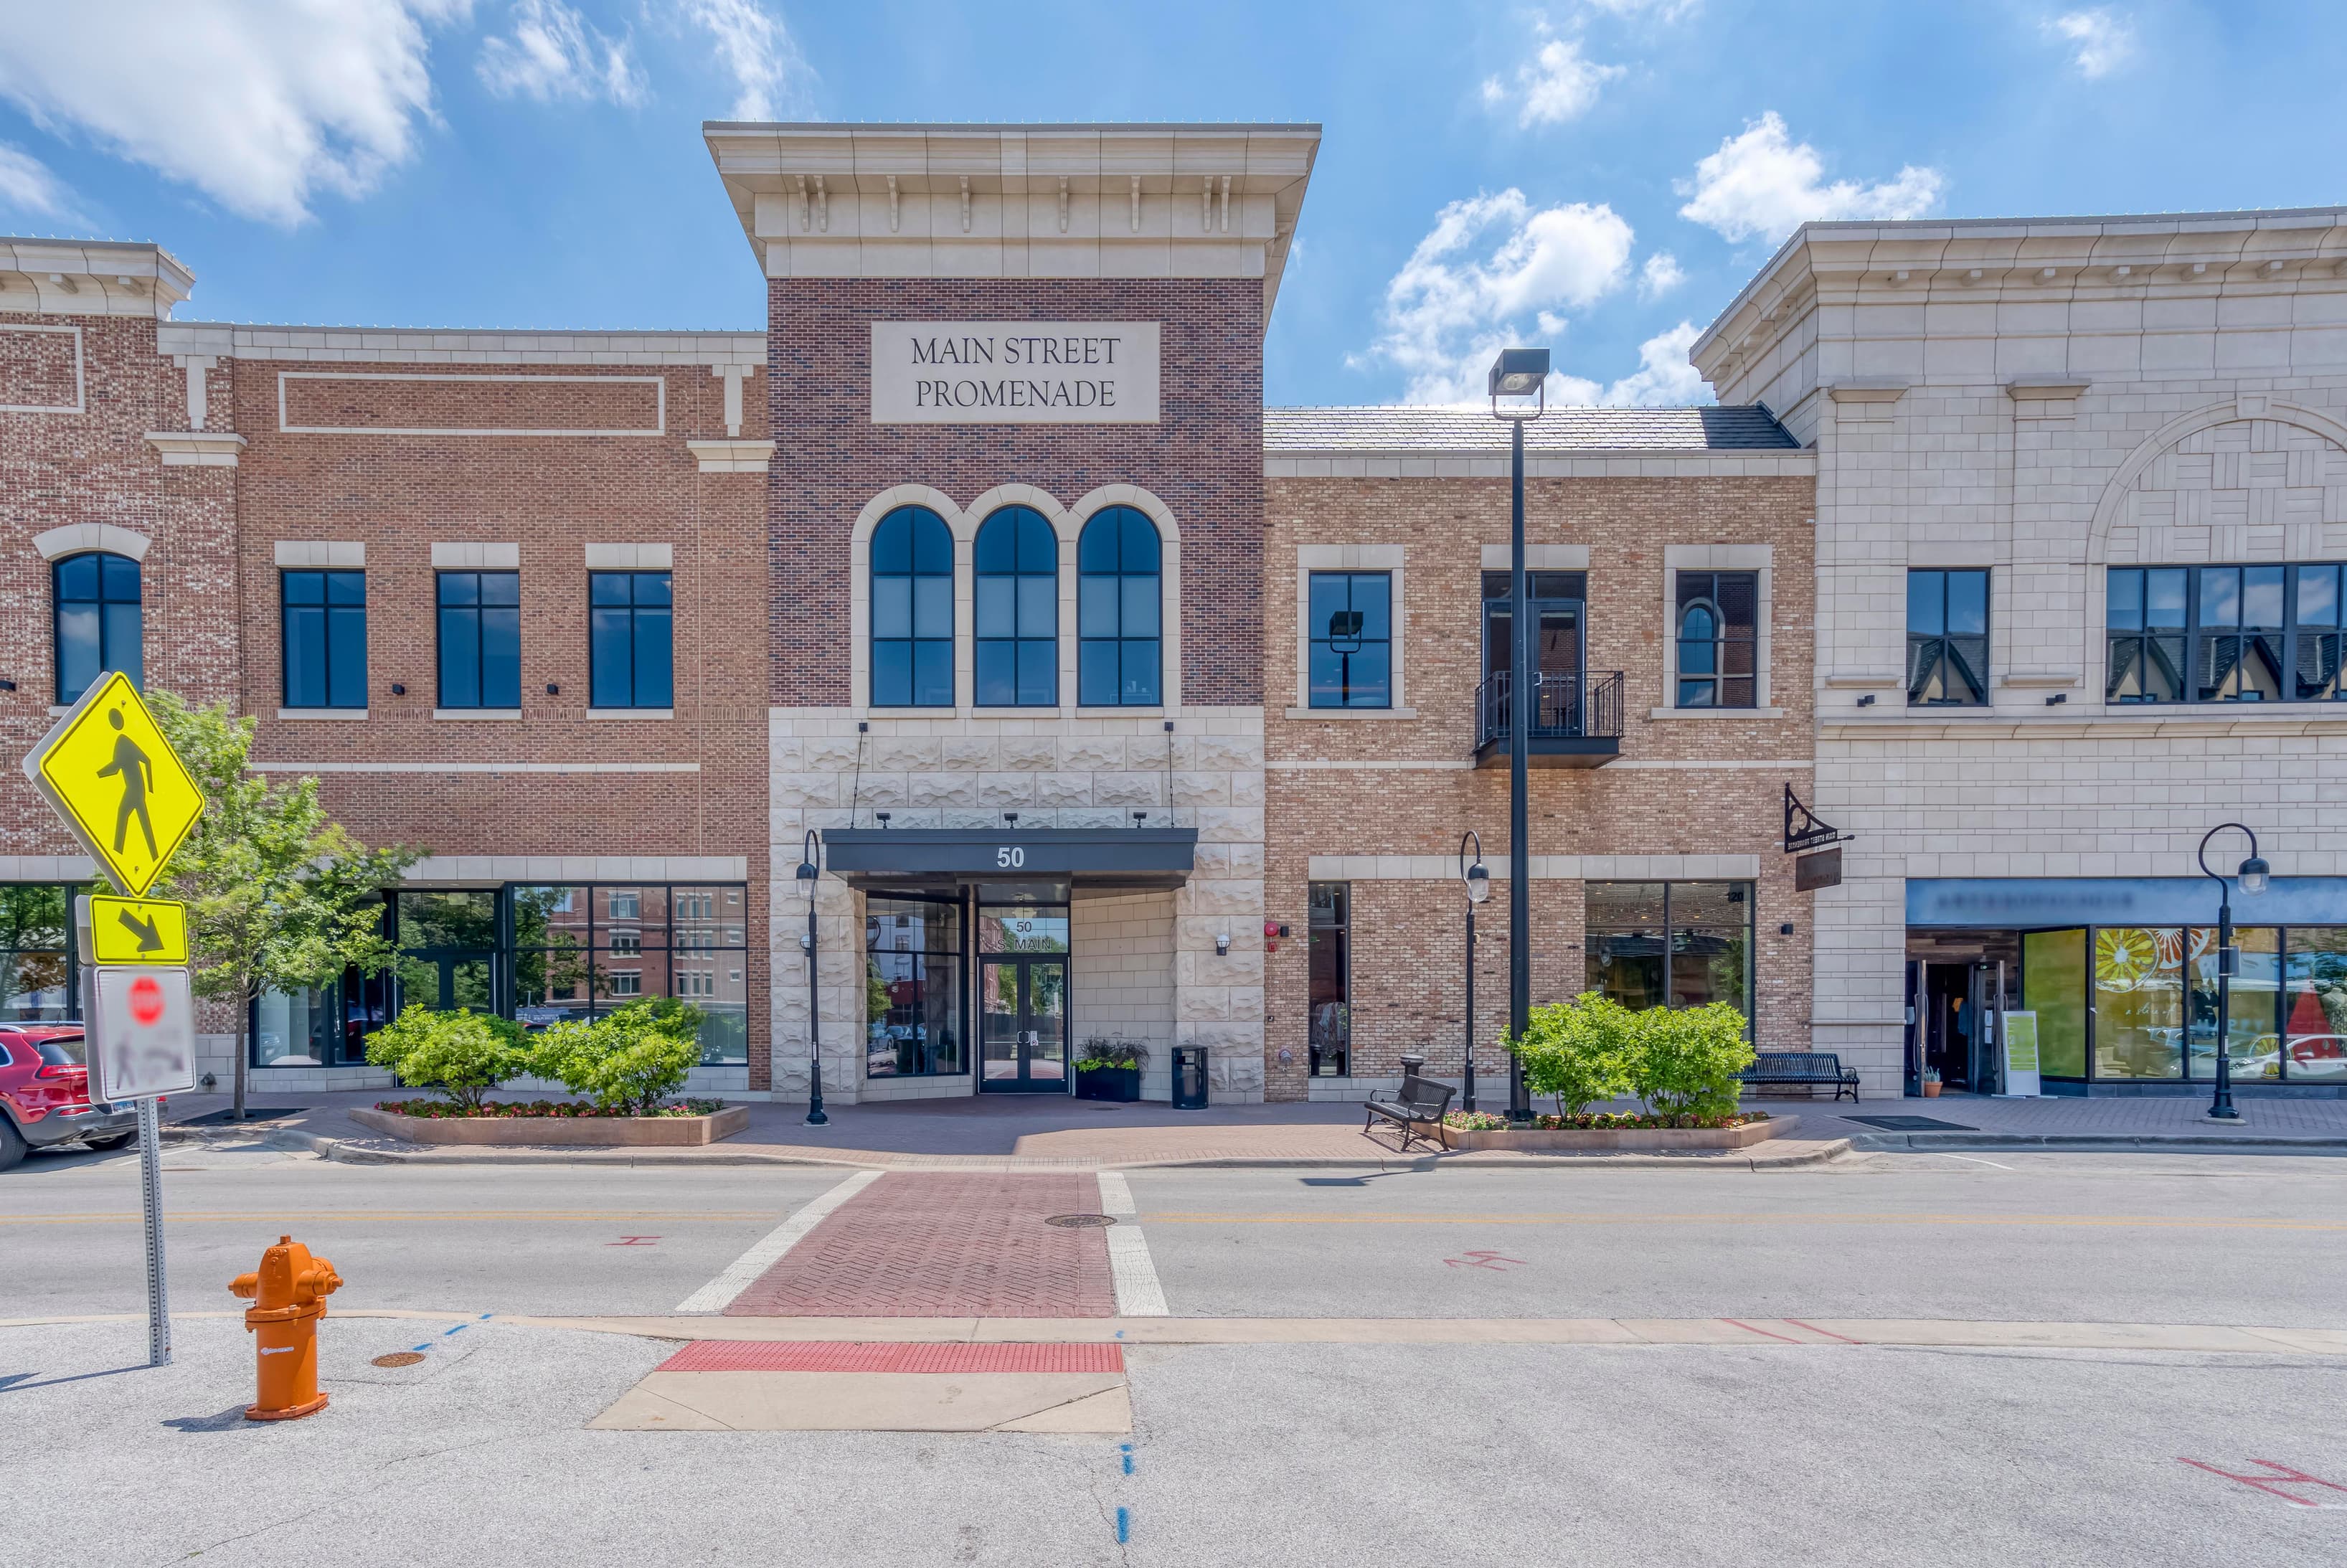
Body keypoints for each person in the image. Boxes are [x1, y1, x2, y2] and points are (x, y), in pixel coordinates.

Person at [94, 707, 157, 859]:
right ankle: (152, 854)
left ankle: (118, 852)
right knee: (144, 824)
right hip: (137, 789)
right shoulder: (123, 741)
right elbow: (118, 767)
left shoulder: (123, 742)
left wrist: (151, 788)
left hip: (134, 790)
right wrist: (148, 788)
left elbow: (119, 766)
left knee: (124, 815)